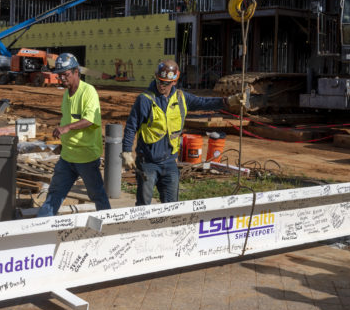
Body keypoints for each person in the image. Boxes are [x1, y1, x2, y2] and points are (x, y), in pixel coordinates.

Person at [122, 60, 241, 205]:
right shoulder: (145, 100)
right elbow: (131, 126)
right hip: (148, 162)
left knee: (172, 206)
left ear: (174, 81)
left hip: (170, 162)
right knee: (143, 206)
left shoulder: (181, 97)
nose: (161, 85)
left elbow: (204, 102)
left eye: (166, 83)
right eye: (159, 81)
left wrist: (228, 101)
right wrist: (126, 151)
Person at [36, 53, 111, 217]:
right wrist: (63, 138)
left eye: (66, 75)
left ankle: (108, 223)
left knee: (97, 195)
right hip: (68, 156)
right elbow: (67, 119)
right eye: (60, 75)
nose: (62, 79)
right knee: (54, 194)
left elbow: (90, 119)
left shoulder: (88, 91)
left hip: (86, 157)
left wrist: (67, 128)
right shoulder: (66, 93)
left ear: (76, 71)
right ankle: (41, 228)